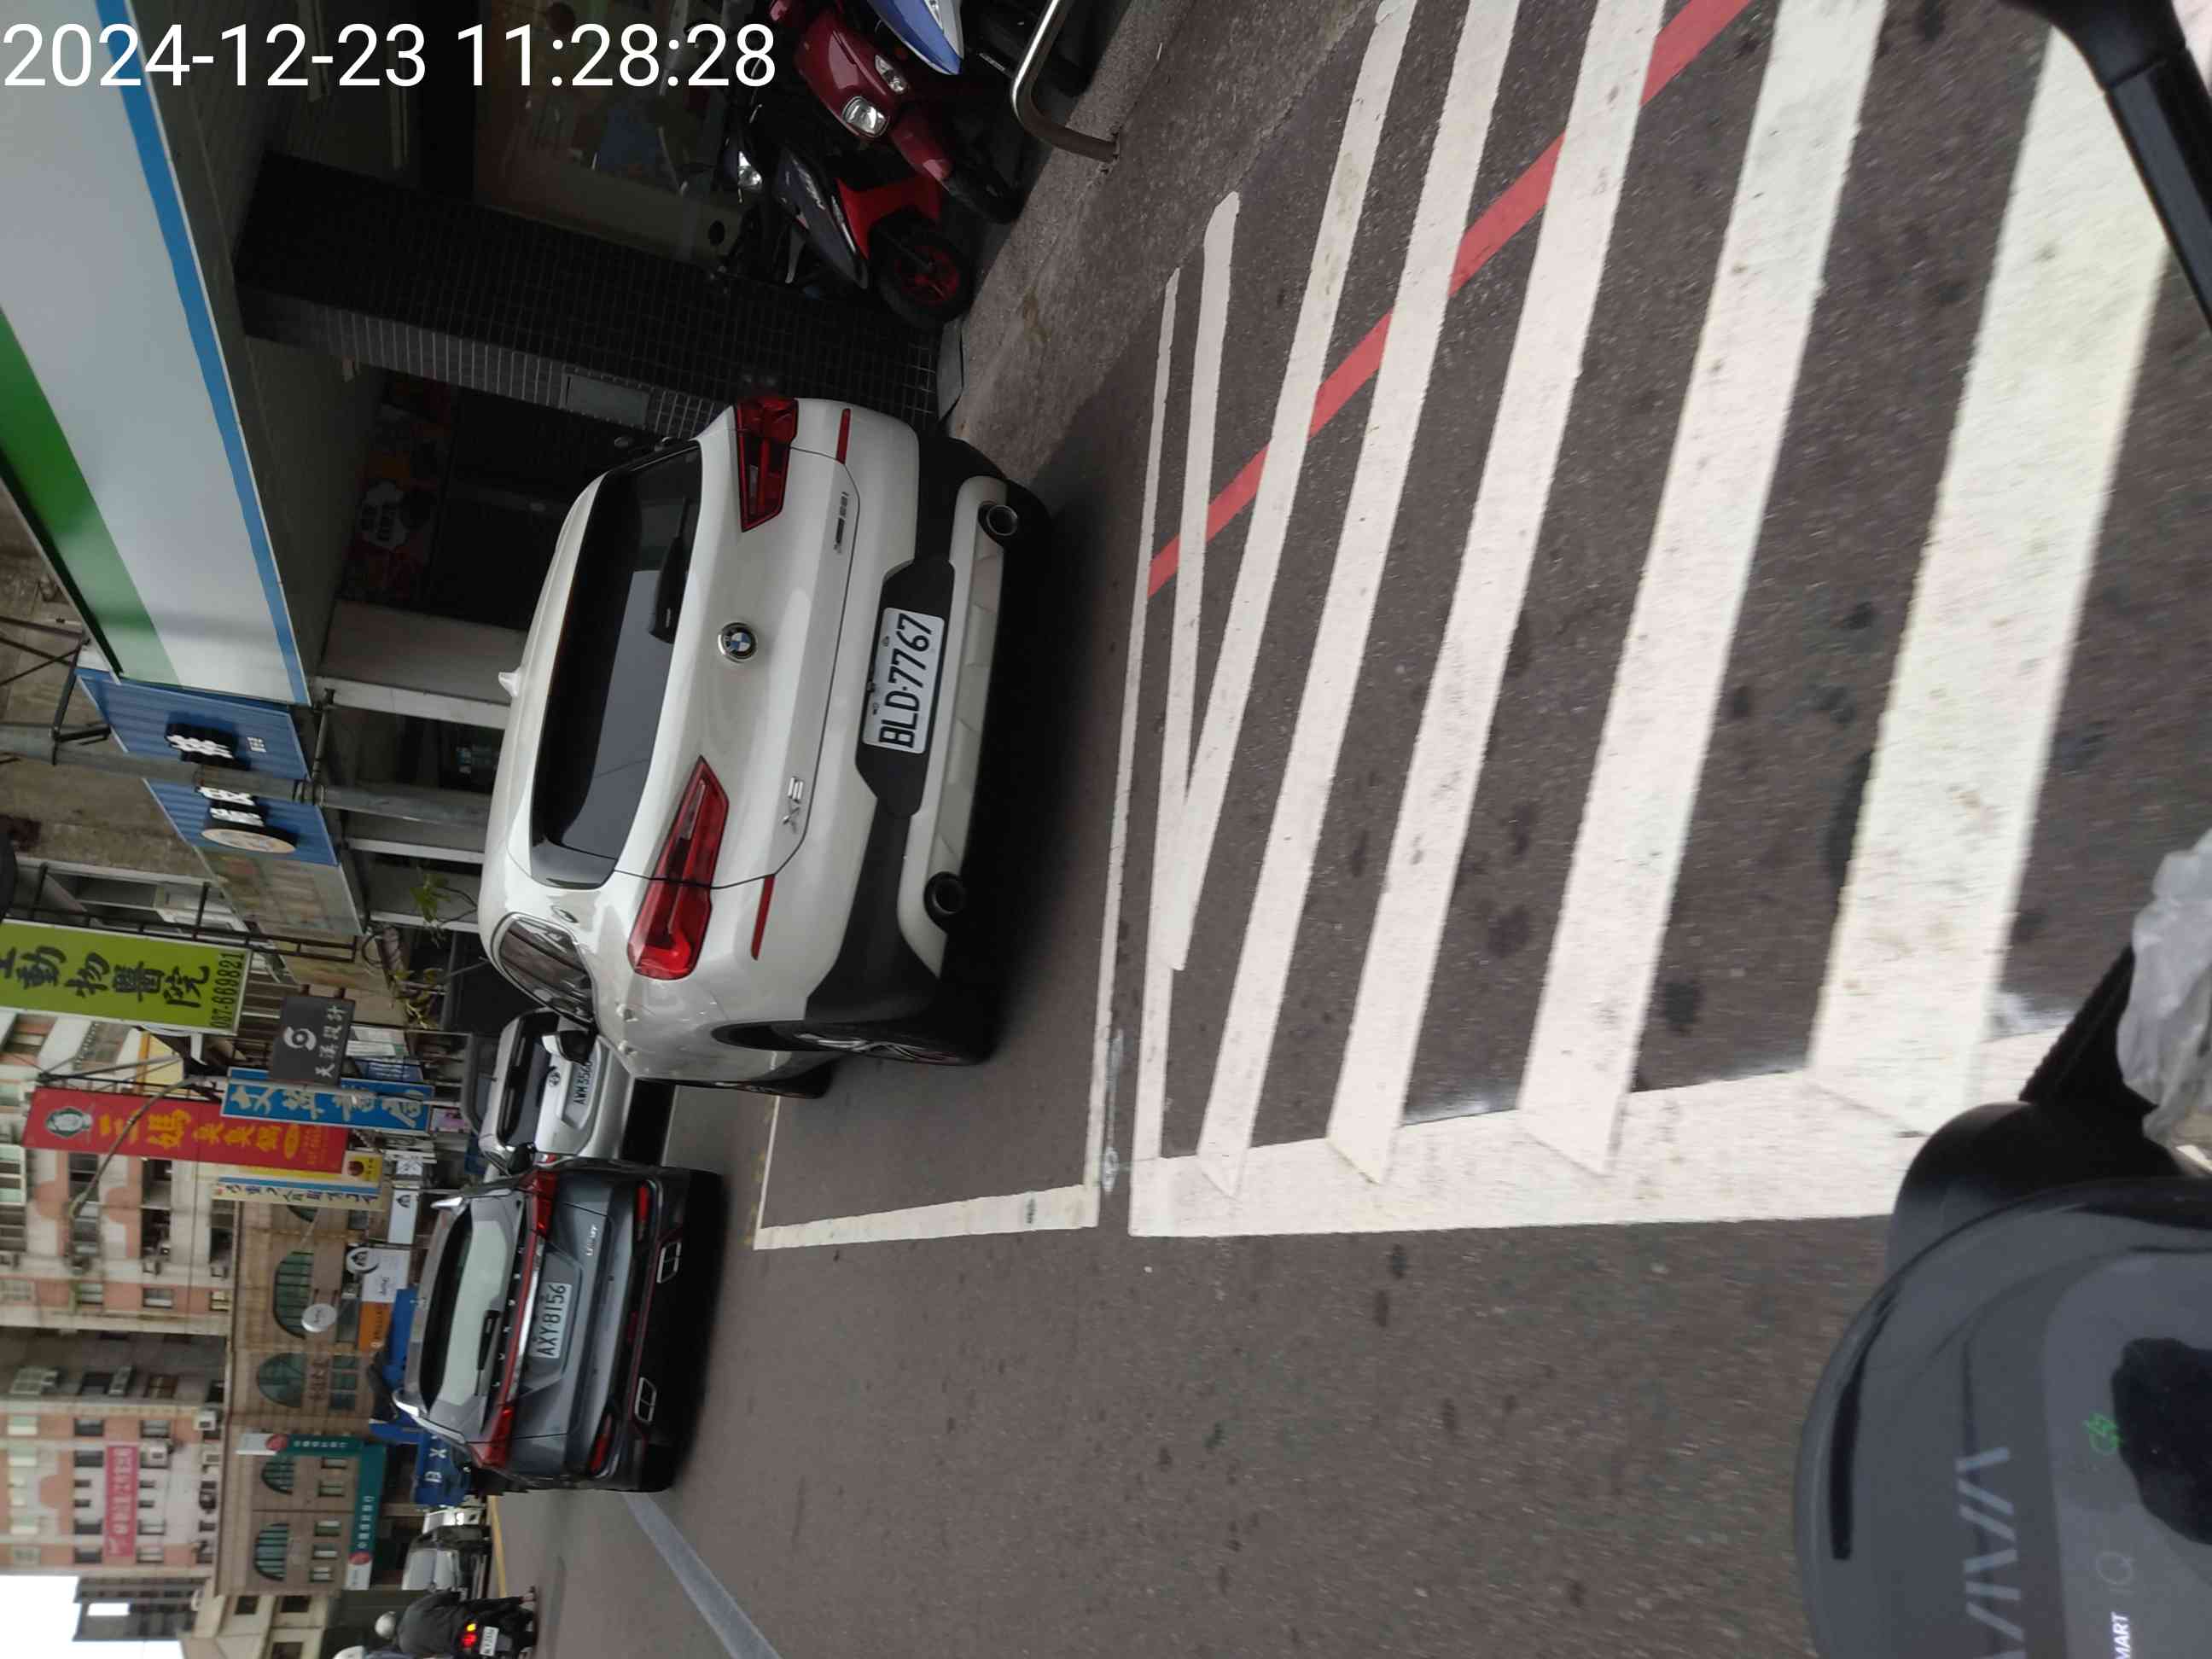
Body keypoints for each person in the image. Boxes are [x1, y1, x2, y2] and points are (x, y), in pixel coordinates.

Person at [376, 1588, 537, 1656]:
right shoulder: (413, 1610)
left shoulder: (407, 1648)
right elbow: (441, 1598)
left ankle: (508, 1649)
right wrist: (451, 1594)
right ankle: (524, 1598)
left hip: (461, 1645)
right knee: (485, 1604)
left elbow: (433, 1654)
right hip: (466, 1621)